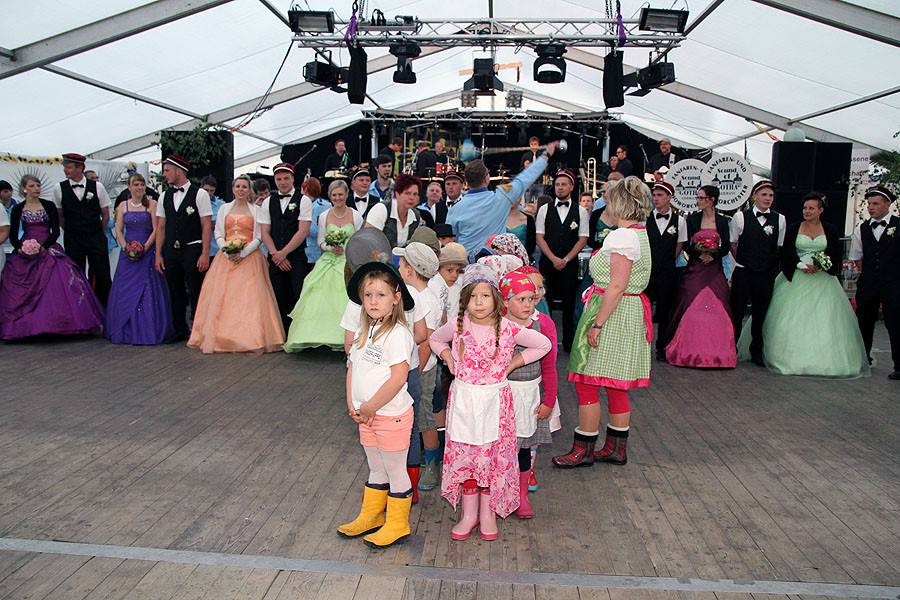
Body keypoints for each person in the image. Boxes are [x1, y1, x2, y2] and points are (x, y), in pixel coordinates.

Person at [429, 264, 551, 541]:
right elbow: (435, 339)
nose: (479, 302)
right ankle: (469, 514)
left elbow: (543, 344)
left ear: (496, 298)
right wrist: (448, 357)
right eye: (473, 296)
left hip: (495, 404)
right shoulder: (458, 326)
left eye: (485, 296)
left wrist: (514, 363)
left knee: (491, 459)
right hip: (464, 403)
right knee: (468, 458)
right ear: (465, 300)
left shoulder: (507, 328)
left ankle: (487, 512)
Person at [553, 176, 652, 469]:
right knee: (616, 383)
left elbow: (617, 285)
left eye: (609, 197)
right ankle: (615, 447)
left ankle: (584, 447)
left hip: (612, 311)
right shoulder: (639, 233)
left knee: (588, 381)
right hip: (628, 311)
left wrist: (596, 324)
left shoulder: (622, 236)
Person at [739, 193, 868, 377]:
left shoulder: (830, 229)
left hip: (823, 280)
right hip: (796, 277)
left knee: (825, 320)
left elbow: (835, 254)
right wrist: (800, 265)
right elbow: (785, 254)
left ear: (820, 210)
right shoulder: (793, 228)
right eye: (805, 208)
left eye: (811, 208)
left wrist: (823, 264)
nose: (807, 211)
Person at [337, 261, 416, 549]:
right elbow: (352, 367)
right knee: (375, 467)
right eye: (368, 295)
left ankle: (397, 523)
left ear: (396, 297)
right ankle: (371, 516)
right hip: (366, 415)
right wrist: (353, 402)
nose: (373, 301)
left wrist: (371, 407)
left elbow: (398, 378)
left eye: (381, 295)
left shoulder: (397, 334)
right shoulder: (364, 331)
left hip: (390, 416)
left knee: (395, 470)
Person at [188, 175, 285, 353]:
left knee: (250, 298)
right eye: (238, 186)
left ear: (249, 190)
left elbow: (259, 236)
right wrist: (227, 250)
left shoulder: (256, 210)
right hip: (225, 259)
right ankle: (222, 336)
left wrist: (243, 253)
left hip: (250, 258)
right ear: (233, 189)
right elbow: (218, 232)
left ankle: (250, 337)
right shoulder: (224, 208)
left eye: (244, 187)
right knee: (223, 297)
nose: (241, 189)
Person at [0, 175, 103, 340]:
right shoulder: (18, 209)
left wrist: (43, 247)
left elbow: (55, 231)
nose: (36, 189)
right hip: (25, 250)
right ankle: (25, 327)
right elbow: (13, 235)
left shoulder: (48, 205)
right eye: (32, 186)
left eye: (38, 185)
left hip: (46, 247)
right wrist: (21, 248)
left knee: (60, 278)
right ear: (24, 189)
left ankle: (60, 325)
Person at [500, 268, 559, 518]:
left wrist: (549, 400)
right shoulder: (497, 325)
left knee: (524, 448)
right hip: (501, 396)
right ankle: (501, 495)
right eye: (520, 299)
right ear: (505, 301)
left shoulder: (542, 324)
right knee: (501, 449)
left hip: (529, 397)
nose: (527, 304)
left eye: (530, 298)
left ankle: (521, 496)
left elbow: (550, 366)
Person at [283, 180, 363, 352]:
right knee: (316, 293)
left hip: (347, 261)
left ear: (346, 195)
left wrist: (346, 250)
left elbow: (359, 240)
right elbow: (320, 240)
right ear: (330, 196)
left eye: (340, 194)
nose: (338, 198)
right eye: (334, 195)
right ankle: (314, 336)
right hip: (327, 260)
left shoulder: (356, 216)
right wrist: (330, 247)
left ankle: (344, 337)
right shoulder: (324, 215)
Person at [665, 185, 736, 368]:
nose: (698, 201)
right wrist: (699, 253)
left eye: (701, 197)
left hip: (714, 269)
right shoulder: (692, 219)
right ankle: (686, 349)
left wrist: (713, 254)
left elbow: (726, 245)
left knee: (719, 305)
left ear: (712, 200)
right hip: (696, 267)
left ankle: (719, 353)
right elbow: (687, 243)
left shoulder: (722, 221)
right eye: (698, 197)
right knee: (688, 300)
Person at [448, 142, 558, 256]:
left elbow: (450, 243)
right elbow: (526, 177)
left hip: (466, 268)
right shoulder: (502, 196)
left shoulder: (454, 210)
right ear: (487, 179)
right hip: (496, 267)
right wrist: (546, 155)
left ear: (466, 182)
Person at [393, 243, 443, 493]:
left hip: (421, 369)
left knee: (425, 418)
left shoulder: (424, 299)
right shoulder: (421, 293)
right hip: (414, 368)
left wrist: (416, 371)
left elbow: (426, 342)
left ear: (410, 270)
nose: (398, 268)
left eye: (401, 264)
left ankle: (432, 465)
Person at [105, 174, 172, 345]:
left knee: (148, 288)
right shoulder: (122, 206)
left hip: (146, 252)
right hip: (128, 254)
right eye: (136, 184)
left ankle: (148, 328)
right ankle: (123, 327)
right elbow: (119, 230)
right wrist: (126, 247)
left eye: (142, 184)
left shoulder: (152, 204)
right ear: (129, 187)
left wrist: (144, 248)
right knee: (124, 288)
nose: (139, 187)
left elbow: (156, 229)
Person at [154, 154, 212, 342]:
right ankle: (179, 328)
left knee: (195, 289)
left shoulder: (200, 194)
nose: (165, 174)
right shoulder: (164, 195)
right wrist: (158, 255)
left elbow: (205, 225)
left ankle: (198, 328)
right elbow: (161, 227)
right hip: (171, 250)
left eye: (167, 170)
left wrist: (204, 253)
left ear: (179, 171)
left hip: (192, 248)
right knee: (174, 289)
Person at [729, 180, 786, 366]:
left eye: (770, 195)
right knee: (736, 313)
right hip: (744, 272)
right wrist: (745, 261)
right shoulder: (740, 217)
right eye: (763, 194)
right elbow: (733, 243)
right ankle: (731, 349)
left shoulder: (780, 219)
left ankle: (757, 351)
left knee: (760, 314)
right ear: (754, 196)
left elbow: (779, 246)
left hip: (765, 274)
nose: (767, 198)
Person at [535, 168, 590, 351]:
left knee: (569, 303)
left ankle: (568, 342)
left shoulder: (581, 211)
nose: (560, 188)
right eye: (557, 184)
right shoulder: (544, 209)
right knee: (545, 301)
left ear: (572, 187)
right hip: (547, 263)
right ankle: (545, 341)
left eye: (564, 184)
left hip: (570, 264)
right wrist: (552, 258)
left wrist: (565, 259)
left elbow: (583, 239)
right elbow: (539, 237)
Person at [850, 185, 899, 380]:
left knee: (895, 323)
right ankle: (863, 359)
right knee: (864, 321)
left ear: (888, 204)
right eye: (869, 204)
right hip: (869, 282)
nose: (871, 207)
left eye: (875, 204)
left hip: (894, 282)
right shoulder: (861, 228)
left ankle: (899, 365)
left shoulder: (898, 224)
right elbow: (857, 258)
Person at [52, 153, 112, 305]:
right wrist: (72, 230)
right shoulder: (59, 188)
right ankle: (80, 309)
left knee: (101, 273)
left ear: (80, 168)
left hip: (95, 237)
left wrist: (97, 230)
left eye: (69, 167)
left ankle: (103, 307)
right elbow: (59, 215)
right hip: (74, 238)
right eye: (65, 167)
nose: (66, 170)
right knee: (75, 272)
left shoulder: (97, 187)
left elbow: (105, 214)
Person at [259, 163, 314, 332]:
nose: (282, 182)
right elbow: (264, 232)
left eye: (286, 178)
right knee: (278, 295)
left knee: (297, 294)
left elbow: (302, 231)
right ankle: (281, 332)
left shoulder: (304, 200)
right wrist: (276, 254)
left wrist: (284, 253)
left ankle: (297, 332)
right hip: (275, 257)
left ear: (292, 179)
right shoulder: (268, 202)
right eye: (279, 179)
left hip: (296, 256)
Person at [646, 181, 687, 361]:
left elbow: (679, 244)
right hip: (647, 272)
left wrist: (667, 261)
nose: (656, 198)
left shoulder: (680, 221)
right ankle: (640, 348)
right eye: (654, 195)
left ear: (669, 197)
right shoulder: (645, 217)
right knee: (644, 312)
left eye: (660, 195)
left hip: (668, 273)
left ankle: (662, 348)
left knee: (665, 312)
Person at [365, 173, 423, 248]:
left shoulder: (415, 216)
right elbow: (367, 241)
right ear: (397, 194)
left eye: (415, 194)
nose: (411, 197)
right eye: (407, 193)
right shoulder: (381, 209)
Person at [201, 175, 226, 257]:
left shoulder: (221, 205)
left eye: (212, 191)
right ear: (201, 187)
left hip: (215, 249)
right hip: (199, 249)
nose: (208, 193)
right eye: (206, 190)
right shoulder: (194, 203)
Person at [1, 180, 16, 273]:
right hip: (2, 245)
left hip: (15, 244)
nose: (9, 193)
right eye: (5, 191)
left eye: (10, 191)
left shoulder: (18, 205)